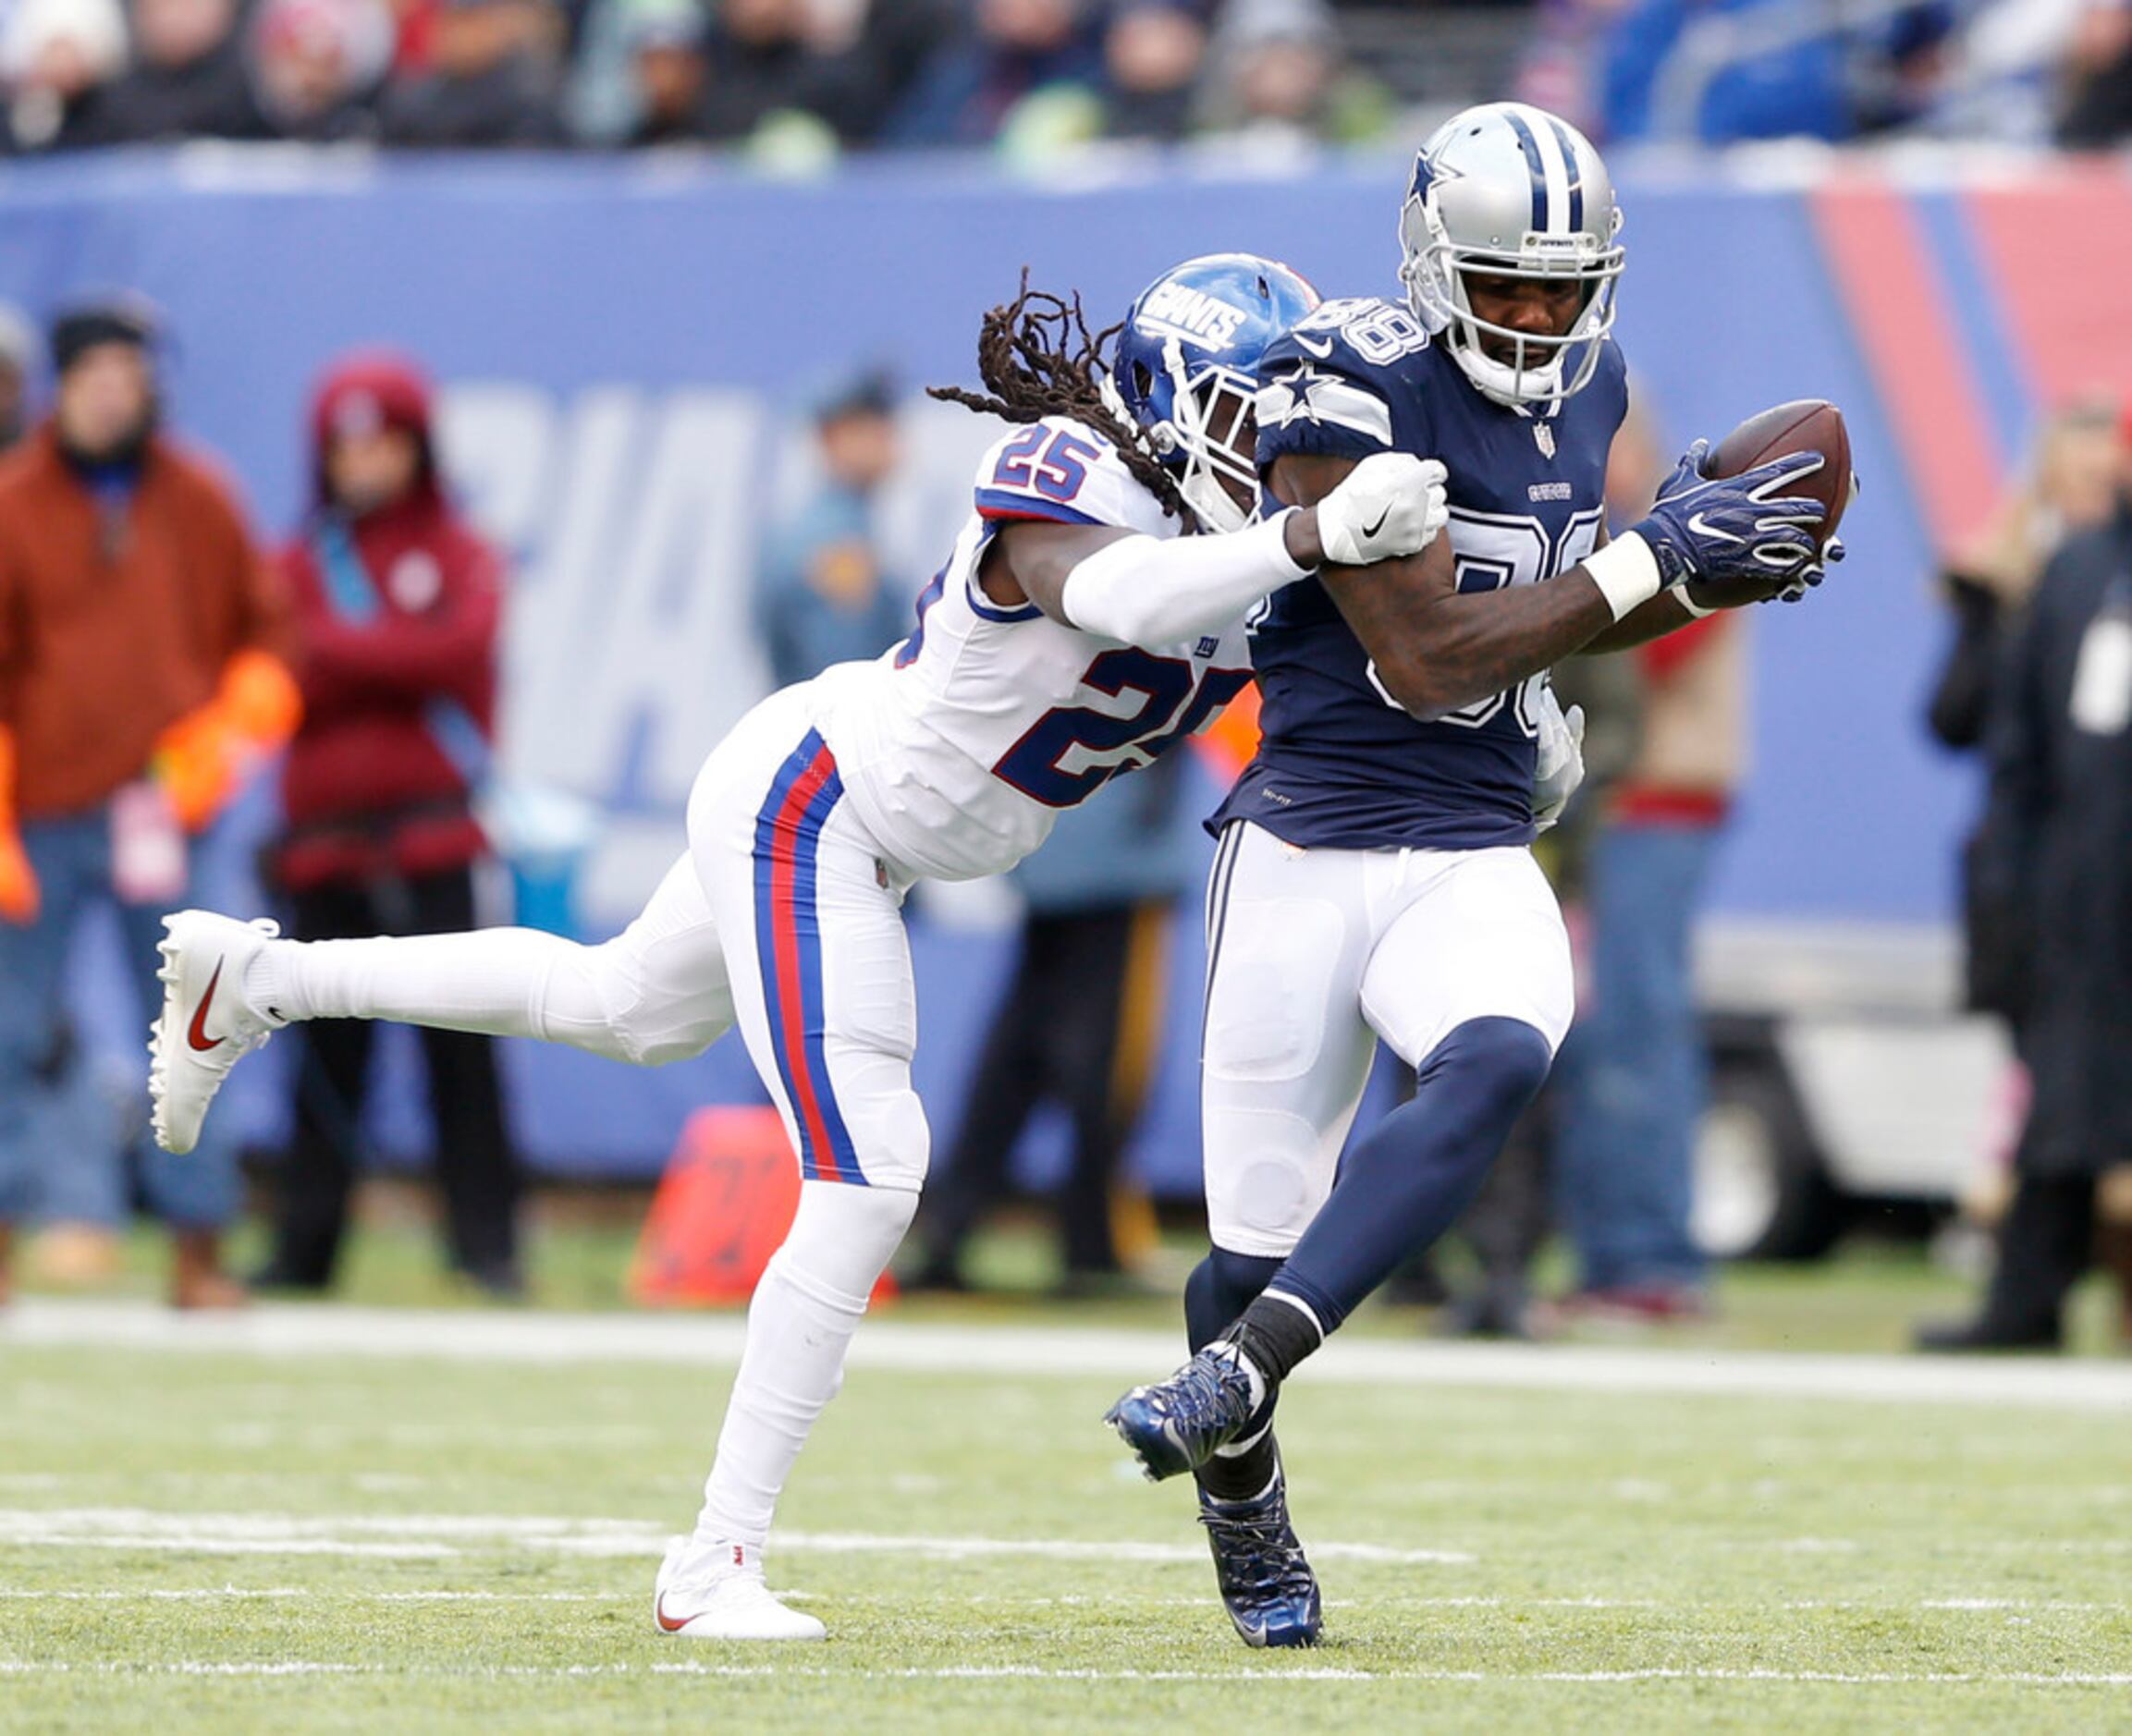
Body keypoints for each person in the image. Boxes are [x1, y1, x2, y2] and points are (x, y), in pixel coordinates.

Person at [146, 252, 1450, 1640]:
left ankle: (264, 978)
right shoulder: (1072, 469)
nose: (1277, 445)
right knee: (872, 1170)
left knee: (619, 1003)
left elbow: (1355, 677)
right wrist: (1311, 543)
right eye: (1256, 412)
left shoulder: (1251, 550)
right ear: (1180, 394)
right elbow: (1123, 599)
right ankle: (713, 1561)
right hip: (817, 798)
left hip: (859, 826)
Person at [1102, 101, 1844, 1650]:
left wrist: (1693, 566)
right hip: (1309, 828)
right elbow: (1430, 652)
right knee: (1237, 1256)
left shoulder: (1603, 384)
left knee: (1504, 1047)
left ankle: (1248, 1372)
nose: (1534, 315)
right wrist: (1652, 561)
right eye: (1504, 285)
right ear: (1437, 263)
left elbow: (1566, 601)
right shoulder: (1343, 377)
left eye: (1561, 289)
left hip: (1474, 829)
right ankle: (1245, 1487)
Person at [0, 298, 298, 1308]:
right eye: (96, 380)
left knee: (197, 1024)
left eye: (130, 380)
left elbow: (267, 638)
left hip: (167, 819)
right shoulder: (16, 502)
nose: (113, 397)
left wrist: (234, 726)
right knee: (7, 1027)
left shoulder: (200, 498)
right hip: (40, 815)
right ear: (64, 387)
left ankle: (196, 1247)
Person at [251, 350, 525, 1300]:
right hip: (325, 847)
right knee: (325, 1061)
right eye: (345, 445)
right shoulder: (295, 560)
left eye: (382, 441)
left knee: (463, 1054)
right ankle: (305, 1249)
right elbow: (273, 672)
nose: (362, 462)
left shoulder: (457, 550)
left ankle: (488, 1246)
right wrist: (392, 660)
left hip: (433, 841)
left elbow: (459, 651)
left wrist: (335, 649)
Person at [1916, 406, 2132, 1352]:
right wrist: (2014, 879)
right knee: (2059, 1100)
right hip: (2074, 887)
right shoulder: (2078, 570)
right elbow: (2015, 746)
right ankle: (2023, 1306)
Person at [1551, 395, 1746, 1322]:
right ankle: (1608, 1255)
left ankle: (1648, 1258)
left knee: (1634, 1033)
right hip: (1603, 819)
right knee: (1592, 1041)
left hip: (1651, 810)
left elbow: (1630, 658)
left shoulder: (1681, 544)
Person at [903, 749, 1199, 1294]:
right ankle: (1097, 1244)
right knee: (1108, 1059)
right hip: (1118, 845)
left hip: (1042, 829)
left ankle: (950, 1227)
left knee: (1019, 1045)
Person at [752, 370, 913, 691]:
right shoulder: (833, 543)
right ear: (830, 438)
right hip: (836, 735)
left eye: (885, 422)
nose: (885, 434)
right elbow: (847, 680)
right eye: (864, 426)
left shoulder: (848, 528)